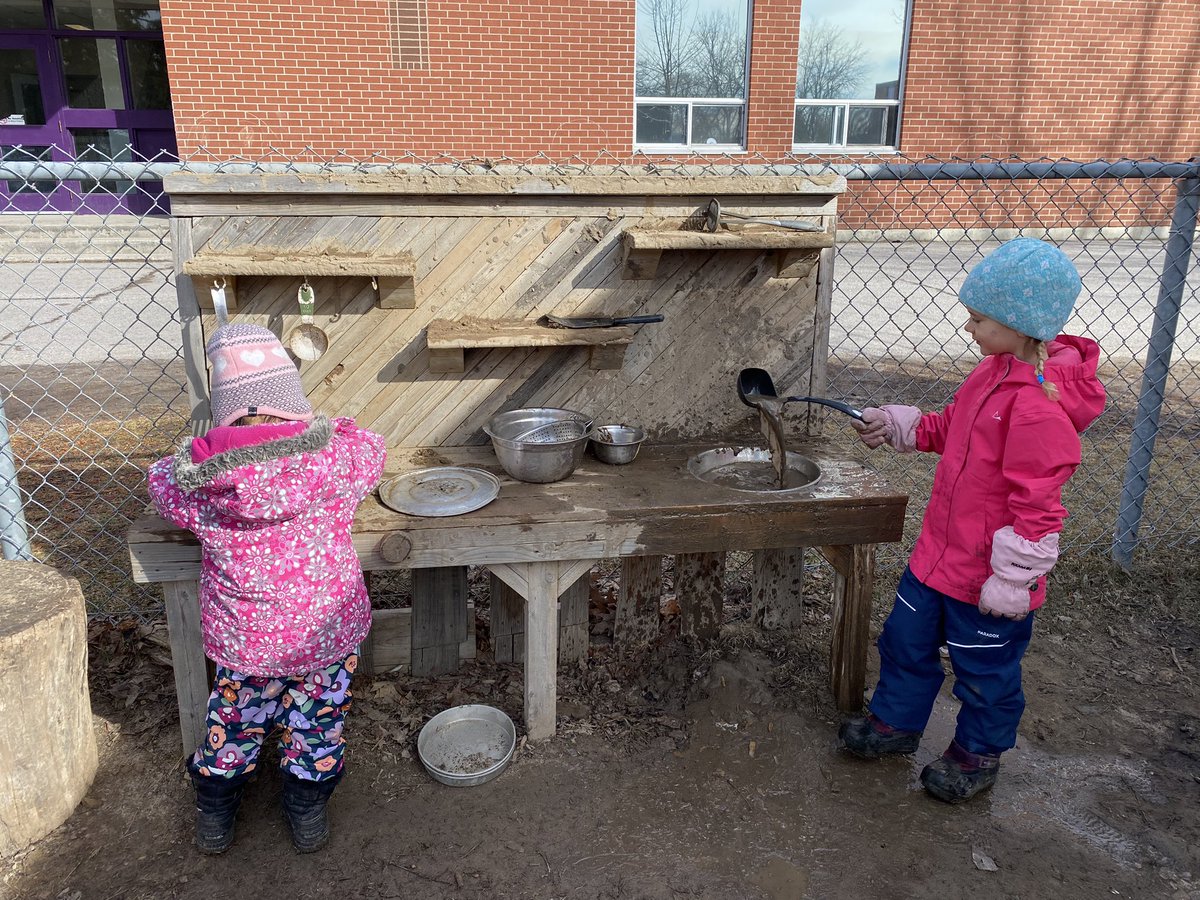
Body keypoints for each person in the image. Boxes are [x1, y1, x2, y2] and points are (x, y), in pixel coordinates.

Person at [838, 238, 1106, 803]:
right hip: (938, 556)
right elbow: (950, 428)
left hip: (989, 577)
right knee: (904, 642)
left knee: (984, 671)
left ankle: (977, 753)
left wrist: (1014, 579)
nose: (969, 329)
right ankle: (896, 724)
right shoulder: (988, 375)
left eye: (979, 319)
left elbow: (1039, 504)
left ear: (1019, 323)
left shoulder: (1038, 407)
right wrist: (902, 426)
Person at [147, 323, 386, 852]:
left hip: (246, 642)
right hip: (324, 634)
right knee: (316, 722)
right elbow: (372, 445)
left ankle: (214, 813)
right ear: (294, 407)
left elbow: (161, 477)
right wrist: (326, 427)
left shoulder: (203, 485)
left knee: (233, 721)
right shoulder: (335, 463)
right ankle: (306, 811)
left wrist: (208, 450)